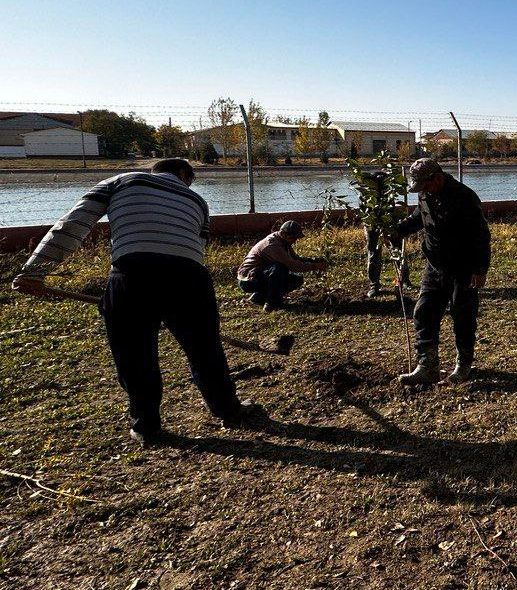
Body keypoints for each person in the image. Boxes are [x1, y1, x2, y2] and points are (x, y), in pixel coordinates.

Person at [10, 158, 263, 445]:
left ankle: (147, 426)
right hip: (191, 278)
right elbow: (194, 247)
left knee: (134, 354)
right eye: (189, 179)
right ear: (183, 174)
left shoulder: (121, 181)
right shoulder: (198, 201)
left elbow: (73, 224)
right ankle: (228, 410)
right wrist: (174, 304)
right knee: (205, 349)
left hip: (132, 274)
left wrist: (35, 270)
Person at [389, 158, 491, 387]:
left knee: (463, 317)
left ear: (437, 178)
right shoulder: (426, 194)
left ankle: (463, 364)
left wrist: (480, 269)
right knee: (423, 312)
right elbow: (419, 218)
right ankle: (427, 367)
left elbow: (481, 236)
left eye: (424, 186)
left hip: (463, 269)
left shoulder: (465, 198)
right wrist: (398, 231)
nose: (422, 191)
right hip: (435, 267)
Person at [237, 220, 328, 310]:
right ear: (283, 234)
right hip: (247, 280)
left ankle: (259, 297)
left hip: (258, 275)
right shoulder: (273, 245)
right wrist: (315, 267)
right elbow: (293, 266)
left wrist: (313, 261)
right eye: (293, 238)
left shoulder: (283, 241)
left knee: (295, 280)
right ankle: (272, 304)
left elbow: (295, 258)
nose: (295, 241)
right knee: (279, 268)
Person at [364, 169, 410, 298]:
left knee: (399, 251)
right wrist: (378, 225)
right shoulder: (366, 195)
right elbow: (366, 214)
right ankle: (374, 285)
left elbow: (392, 210)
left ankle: (403, 279)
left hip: (391, 224)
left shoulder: (389, 193)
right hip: (373, 226)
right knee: (374, 253)